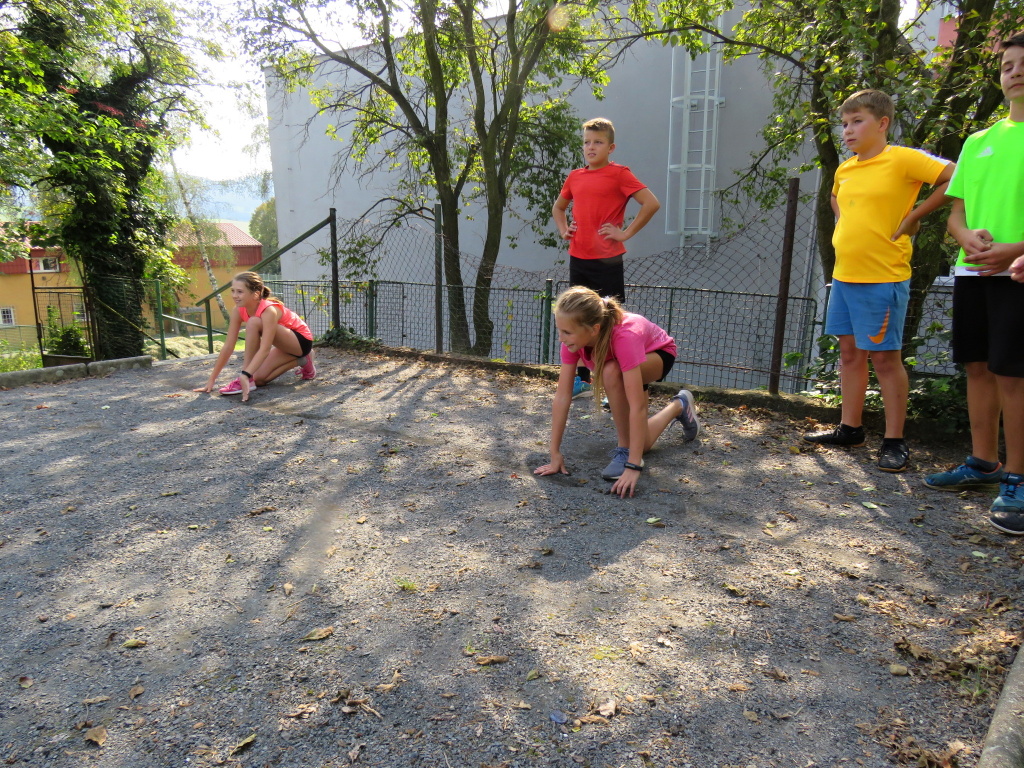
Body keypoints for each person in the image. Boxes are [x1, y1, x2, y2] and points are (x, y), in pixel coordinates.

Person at [803, 89, 955, 473]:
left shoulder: (902, 159)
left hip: (883, 277)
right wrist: (845, 223)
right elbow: (836, 198)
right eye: (844, 124)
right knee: (849, 354)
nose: (848, 130)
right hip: (845, 276)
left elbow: (956, 176)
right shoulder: (846, 169)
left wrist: (914, 216)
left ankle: (894, 440)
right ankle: (850, 429)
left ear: (882, 123)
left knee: (886, 359)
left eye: (857, 121)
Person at [923, 33, 1024, 535]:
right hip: (972, 271)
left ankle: (1018, 477)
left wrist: (1016, 249)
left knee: (1014, 375)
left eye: (1023, 64)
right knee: (978, 367)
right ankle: (984, 463)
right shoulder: (977, 141)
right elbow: (955, 214)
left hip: (1018, 274)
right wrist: (965, 237)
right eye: (1008, 65)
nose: (1015, 72)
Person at [534, 287, 699, 498]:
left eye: (566, 332)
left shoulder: (624, 337)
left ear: (594, 329)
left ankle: (624, 449)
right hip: (626, 359)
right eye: (560, 330)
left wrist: (633, 465)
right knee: (642, 443)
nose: (561, 338)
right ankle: (679, 405)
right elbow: (562, 396)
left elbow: (637, 406)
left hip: (657, 353)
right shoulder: (572, 341)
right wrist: (555, 453)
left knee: (611, 371)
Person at [552, 117, 661, 399]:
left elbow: (651, 203)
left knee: (610, 322)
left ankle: (614, 384)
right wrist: (564, 230)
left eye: (598, 142)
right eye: (587, 142)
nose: (591, 147)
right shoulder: (575, 176)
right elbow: (558, 208)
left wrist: (625, 233)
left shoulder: (620, 174)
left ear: (610, 147)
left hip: (607, 262)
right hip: (578, 259)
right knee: (577, 319)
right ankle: (583, 380)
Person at [194, 271, 316, 402]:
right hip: (284, 346)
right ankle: (304, 360)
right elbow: (228, 346)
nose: (234, 295)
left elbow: (265, 348)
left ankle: (247, 376)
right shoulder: (238, 310)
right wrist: (211, 380)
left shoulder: (269, 310)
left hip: (300, 342)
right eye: (233, 291)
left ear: (256, 294)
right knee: (259, 379)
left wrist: (245, 374)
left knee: (253, 322)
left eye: (240, 292)